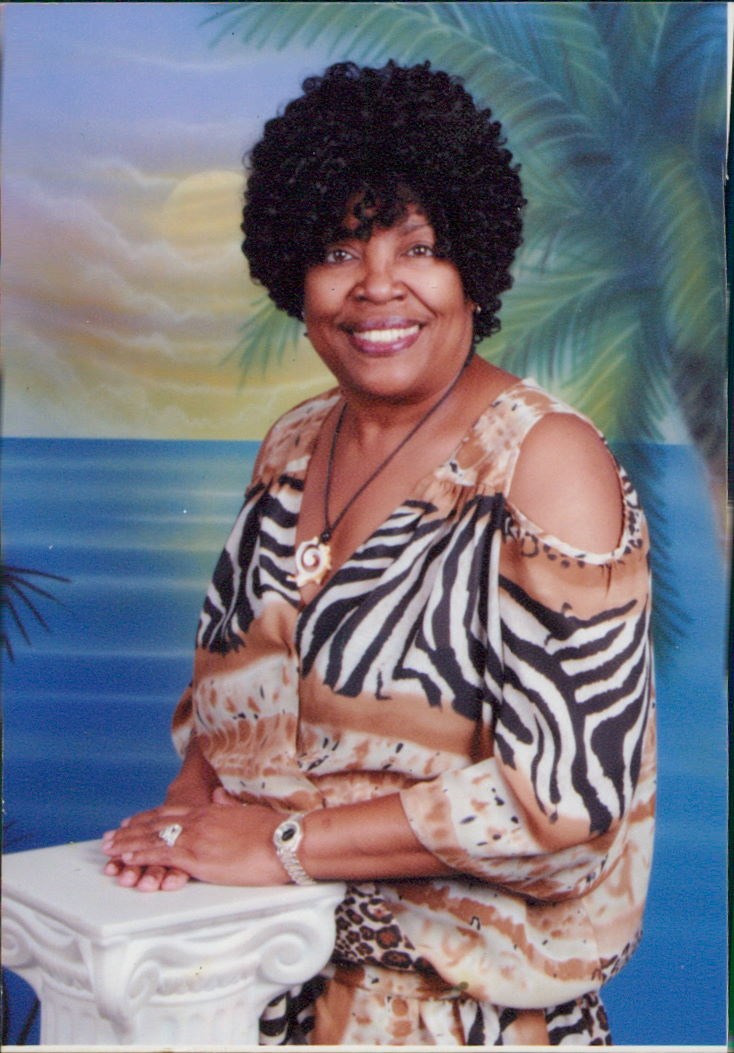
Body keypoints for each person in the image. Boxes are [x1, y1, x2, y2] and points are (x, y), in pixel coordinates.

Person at [102, 61, 656, 1046]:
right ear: (294, 272)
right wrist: (180, 827)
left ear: (473, 265)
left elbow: (564, 808)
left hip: (462, 1022)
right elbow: (229, 708)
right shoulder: (291, 446)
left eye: (420, 248)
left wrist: (283, 845)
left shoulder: (542, 466)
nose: (376, 286)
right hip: (260, 993)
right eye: (338, 249)